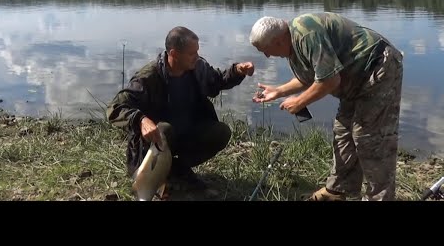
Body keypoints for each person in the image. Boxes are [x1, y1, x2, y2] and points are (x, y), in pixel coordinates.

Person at [249, 12, 403, 201]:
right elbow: (312, 76)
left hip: (377, 68)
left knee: (370, 139)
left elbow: (329, 80)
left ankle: (380, 197)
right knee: (343, 133)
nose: (267, 55)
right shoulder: (293, 43)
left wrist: (299, 102)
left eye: (266, 49)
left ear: (279, 39)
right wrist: (279, 91)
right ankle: (337, 191)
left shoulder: (306, 34)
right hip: (354, 81)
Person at [106, 26, 254, 191]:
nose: (197, 57)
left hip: (184, 134)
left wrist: (237, 71)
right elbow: (115, 108)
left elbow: (216, 81)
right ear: (174, 54)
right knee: (164, 129)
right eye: (192, 53)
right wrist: (141, 120)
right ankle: (152, 179)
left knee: (221, 132)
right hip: (154, 146)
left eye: (197, 52)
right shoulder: (149, 77)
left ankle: (177, 170)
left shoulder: (198, 67)